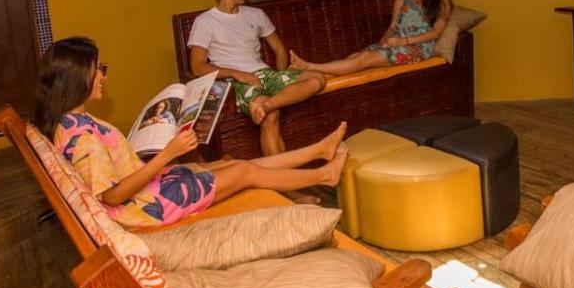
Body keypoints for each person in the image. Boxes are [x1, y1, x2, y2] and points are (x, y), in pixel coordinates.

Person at [34, 36, 346, 230]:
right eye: (99, 69)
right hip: (149, 207)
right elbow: (113, 195)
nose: (103, 76)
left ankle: (318, 151)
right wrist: (168, 153)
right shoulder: (83, 137)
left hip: (149, 191)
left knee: (234, 164)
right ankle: (324, 175)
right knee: (245, 172)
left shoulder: (72, 120)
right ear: (78, 78)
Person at [187, 0, 326, 155]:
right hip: (236, 81)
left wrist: (280, 76)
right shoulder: (205, 21)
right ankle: (281, 172)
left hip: (266, 74)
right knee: (270, 116)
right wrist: (237, 73)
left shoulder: (256, 14)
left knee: (318, 79)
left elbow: (279, 50)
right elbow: (197, 67)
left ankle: (266, 104)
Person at [291, 0, 452, 77]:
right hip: (395, 42)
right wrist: (385, 40)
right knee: (356, 56)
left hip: (418, 48)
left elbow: (436, 33)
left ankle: (310, 67)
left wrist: (405, 41)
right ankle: (312, 77)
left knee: (365, 58)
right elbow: (392, 27)